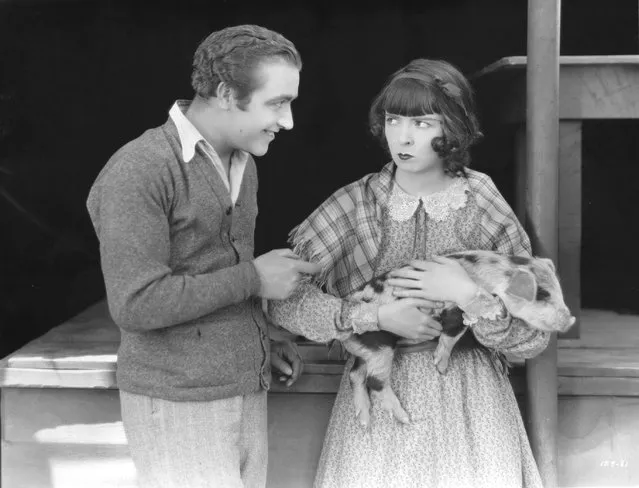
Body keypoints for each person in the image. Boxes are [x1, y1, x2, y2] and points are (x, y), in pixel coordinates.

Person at [268, 59, 550, 488]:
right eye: (393, 119)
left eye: (421, 122)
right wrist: (370, 318)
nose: (402, 135)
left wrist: (466, 294)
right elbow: (280, 296)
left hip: (471, 407)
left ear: (452, 128)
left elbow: (534, 331)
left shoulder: (482, 204)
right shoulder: (357, 205)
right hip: (379, 406)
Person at [86, 25, 323, 488]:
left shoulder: (244, 162)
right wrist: (254, 280)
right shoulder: (141, 169)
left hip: (242, 391)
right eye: (277, 103)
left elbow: (211, 272)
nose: (288, 121)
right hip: (178, 404)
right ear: (224, 93)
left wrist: (257, 340)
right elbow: (136, 303)